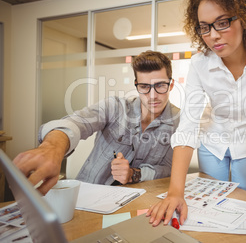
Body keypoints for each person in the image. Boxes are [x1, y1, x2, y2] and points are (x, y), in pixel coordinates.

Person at [148, 0, 246, 227]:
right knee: (209, 210)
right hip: (213, 141)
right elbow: (188, 124)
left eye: (222, 22)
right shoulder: (200, 63)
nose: (213, 35)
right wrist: (175, 193)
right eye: (205, 26)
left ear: (245, 18)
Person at [13, 50, 180, 195]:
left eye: (160, 86)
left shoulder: (179, 121)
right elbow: (78, 122)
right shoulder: (115, 107)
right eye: (144, 87)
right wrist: (53, 147)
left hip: (139, 203)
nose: (152, 95)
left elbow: (170, 169)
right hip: (88, 195)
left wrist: (134, 174)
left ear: (171, 85)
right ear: (136, 86)